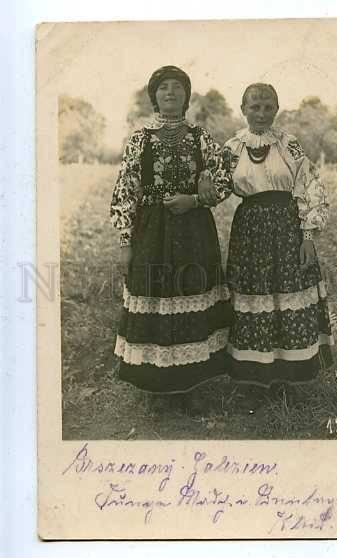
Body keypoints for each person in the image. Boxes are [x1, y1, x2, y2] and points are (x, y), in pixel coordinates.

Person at [110, 65, 232, 406]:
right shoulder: (139, 140)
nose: (171, 94)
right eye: (164, 88)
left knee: (191, 296)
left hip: (194, 231)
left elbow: (224, 182)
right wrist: (125, 242)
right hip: (152, 233)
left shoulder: (201, 138)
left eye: (178, 88)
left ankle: (191, 387)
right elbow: (125, 191)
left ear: (186, 97)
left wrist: (193, 199)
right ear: (154, 96)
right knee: (156, 296)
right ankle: (156, 388)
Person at [220, 83, 334, 390]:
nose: (261, 113)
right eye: (254, 107)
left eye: (268, 107)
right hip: (250, 230)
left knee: (289, 291)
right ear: (243, 110)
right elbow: (217, 186)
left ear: (277, 109)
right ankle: (255, 375)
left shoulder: (289, 144)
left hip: (287, 228)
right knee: (255, 294)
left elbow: (310, 184)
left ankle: (292, 373)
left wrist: (307, 236)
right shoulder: (231, 149)